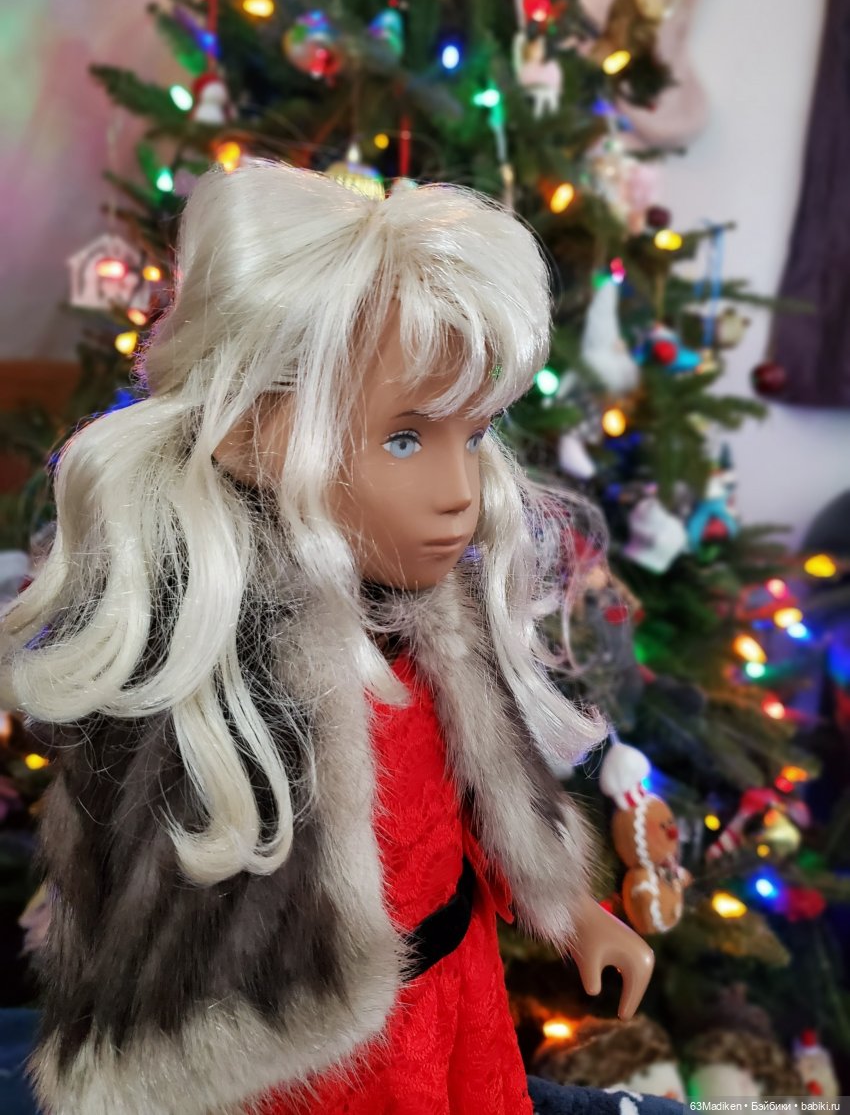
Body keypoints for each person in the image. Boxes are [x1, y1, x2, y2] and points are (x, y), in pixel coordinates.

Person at [0, 160, 652, 1114]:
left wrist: (571, 907)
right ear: (257, 430)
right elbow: (163, 922)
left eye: (474, 435)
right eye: (404, 439)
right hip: (322, 1059)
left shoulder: (437, 615)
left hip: (460, 997)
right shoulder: (218, 666)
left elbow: (472, 797)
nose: (460, 493)